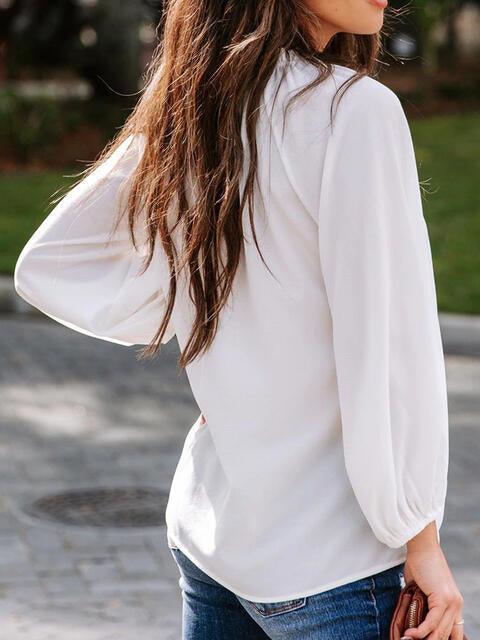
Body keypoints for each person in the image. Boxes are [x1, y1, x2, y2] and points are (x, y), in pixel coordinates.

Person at [14, 0, 465, 638]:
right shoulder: (355, 112)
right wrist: (420, 538)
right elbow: (387, 349)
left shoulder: (202, 107)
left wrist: (206, 342)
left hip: (215, 540)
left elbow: (53, 262)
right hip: (330, 558)